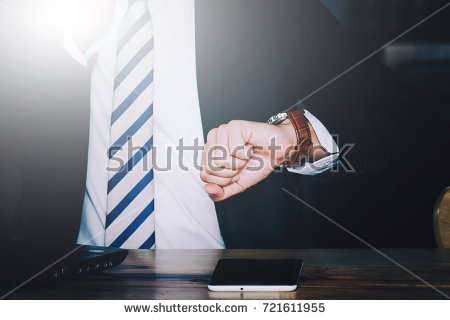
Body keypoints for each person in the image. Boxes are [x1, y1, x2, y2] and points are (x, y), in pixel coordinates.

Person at [0, 0, 441, 249]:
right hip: (60, 290)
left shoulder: (265, 12)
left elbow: (407, 113)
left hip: (234, 290)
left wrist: (294, 136)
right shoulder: (29, 20)